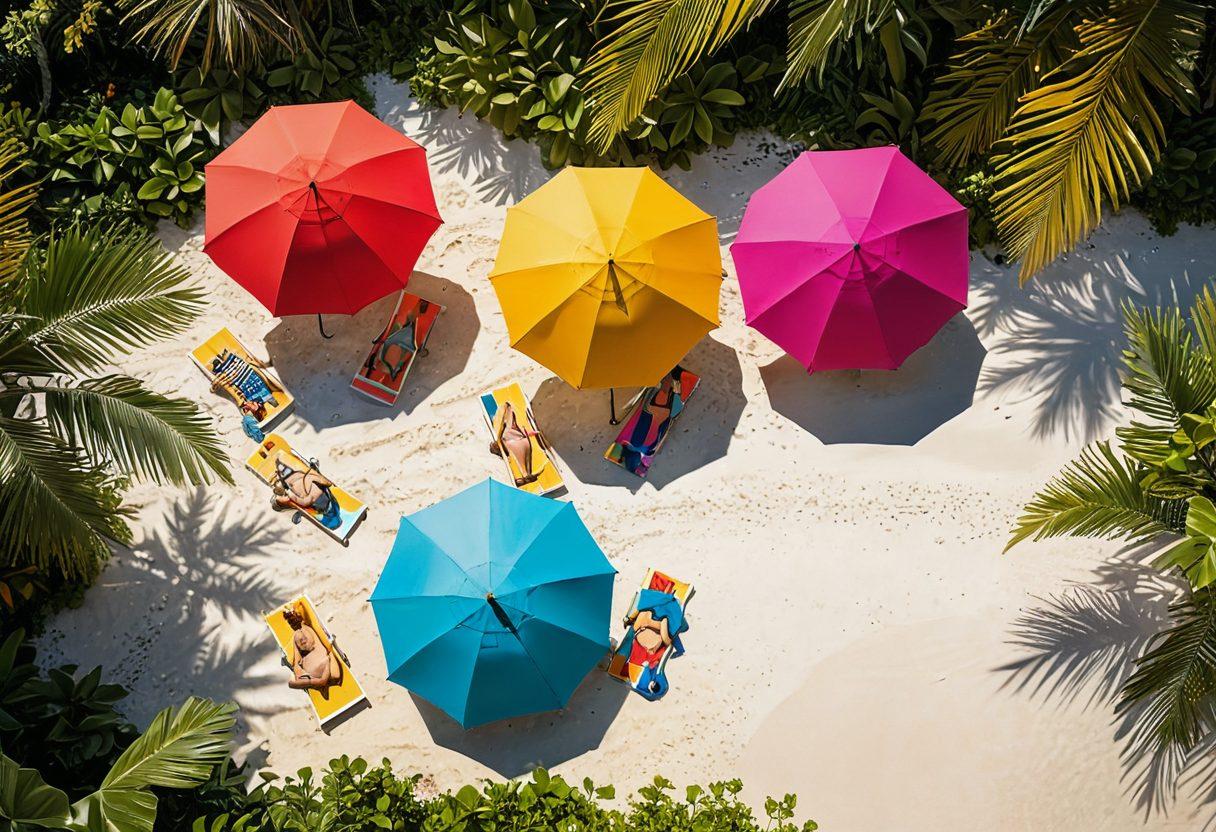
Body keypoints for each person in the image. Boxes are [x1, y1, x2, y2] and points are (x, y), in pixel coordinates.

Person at [618, 367, 685, 473]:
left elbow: (661, 431)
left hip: (660, 413)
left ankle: (672, 375)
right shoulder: (640, 445)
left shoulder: (648, 449)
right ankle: (671, 373)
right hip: (655, 412)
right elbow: (649, 426)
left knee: (666, 391)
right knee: (665, 390)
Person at [282, 601, 341, 691]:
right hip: (319, 669)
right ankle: (320, 681)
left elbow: (296, 662)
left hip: (317, 671)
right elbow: (297, 662)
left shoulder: (303, 629)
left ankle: (320, 682)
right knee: (292, 682)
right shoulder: (302, 631)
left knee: (292, 682)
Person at [271, 455, 342, 530]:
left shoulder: (336, 508)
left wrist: (316, 471)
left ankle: (313, 467)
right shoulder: (326, 517)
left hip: (315, 491)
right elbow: (328, 492)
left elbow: (328, 492)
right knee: (286, 500)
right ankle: (283, 488)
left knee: (288, 498)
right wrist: (301, 512)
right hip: (310, 496)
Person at [368, 300, 430, 382]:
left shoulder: (384, 360)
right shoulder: (387, 363)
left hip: (401, 342)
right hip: (402, 343)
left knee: (404, 324)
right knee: (406, 324)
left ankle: (419, 308)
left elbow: (407, 351)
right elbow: (408, 351)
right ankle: (418, 308)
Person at [489, 401, 547, 486]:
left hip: (517, 440)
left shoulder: (508, 439)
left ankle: (525, 476)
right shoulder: (506, 437)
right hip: (517, 439)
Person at [211, 349, 280, 410]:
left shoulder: (256, 399)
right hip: (246, 378)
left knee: (236, 372)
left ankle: (221, 361)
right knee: (236, 371)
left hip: (245, 379)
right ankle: (221, 361)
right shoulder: (258, 398)